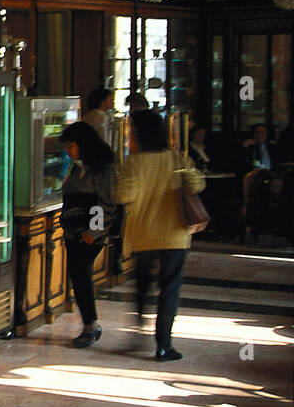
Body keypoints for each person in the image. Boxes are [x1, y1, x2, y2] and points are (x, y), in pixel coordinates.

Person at [115, 110, 205, 362]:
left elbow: (123, 196)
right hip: (174, 234)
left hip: (143, 233)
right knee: (170, 288)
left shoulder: (134, 162)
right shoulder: (178, 158)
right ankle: (164, 345)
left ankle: (139, 324)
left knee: (143, 282)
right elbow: (198, 185)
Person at [59, 121, 118, 348]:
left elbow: (108, 203)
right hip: (73, 232)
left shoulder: (104, 169)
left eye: (71, 146)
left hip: (90, 234)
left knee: (81, 274)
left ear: (83, 145)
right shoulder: (75, 167)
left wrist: (94, 232)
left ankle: (90, 325)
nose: (68, 150)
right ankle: (90, 323)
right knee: (78, 275)